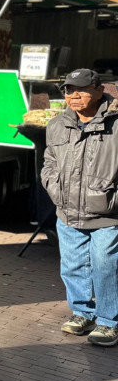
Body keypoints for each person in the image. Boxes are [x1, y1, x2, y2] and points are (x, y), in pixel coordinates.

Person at [42, 68, 118, 347]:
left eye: (81, 89)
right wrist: (54, 188)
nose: (73, 96)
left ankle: (109, 322)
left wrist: (111, 199)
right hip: (67, 210)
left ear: (99, 90)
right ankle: (82, 312)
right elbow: (49, 161)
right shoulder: (58, 124)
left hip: (107, 214)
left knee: (106, 266)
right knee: (73, 265)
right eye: (69, 90)